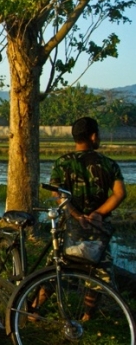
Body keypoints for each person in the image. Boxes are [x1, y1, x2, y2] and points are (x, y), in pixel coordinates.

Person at [50, 117, 126, 291]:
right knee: (100, 275)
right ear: (93, 136)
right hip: (97, 229)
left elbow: (57, 194)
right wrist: (97, 214)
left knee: (55, 269)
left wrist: (76, 215)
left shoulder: (62, 163)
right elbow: (119, 194)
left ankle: (33, 309)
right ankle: (86, 316)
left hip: (69, 227)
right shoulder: (108, 164)